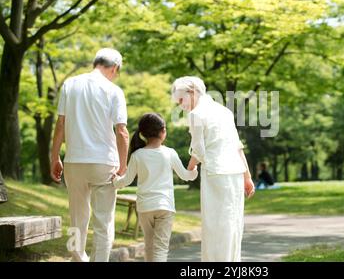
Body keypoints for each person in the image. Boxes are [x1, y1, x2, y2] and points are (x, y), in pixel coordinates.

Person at [50, 48, 129, 262]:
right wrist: (123, 167)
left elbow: (60, 125)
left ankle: (77, 258)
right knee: (103, 222)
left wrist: (54, 157)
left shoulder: (70, 84)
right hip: (104, 163)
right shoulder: (114, 91)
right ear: (114, 68)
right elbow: (122, 132)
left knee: (77, 218)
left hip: (74, 162)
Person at [171, 76, 255, 262]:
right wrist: (247, 177)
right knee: (233, 223)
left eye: (181, 100)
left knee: (215, 225)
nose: (181, 106)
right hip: (234, 172)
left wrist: (188, 171)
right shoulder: (224, 111)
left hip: (215, 173)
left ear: (192, 93)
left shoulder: (196, 115)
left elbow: (198, 150)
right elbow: (237, 146)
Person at [112, 113, 198, 262]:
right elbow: (186, 175)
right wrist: (194, 169)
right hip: (165, 206)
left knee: (149, 245)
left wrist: (115, 181)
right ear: (163, 131)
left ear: (144, 133)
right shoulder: (169, 153)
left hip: (145, 207)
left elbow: (126, 180)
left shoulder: (137, 155)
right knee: (160, 249)